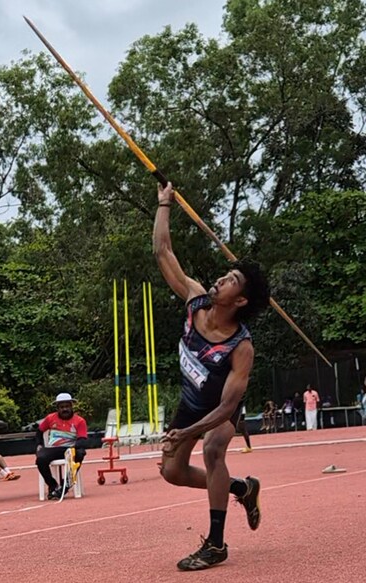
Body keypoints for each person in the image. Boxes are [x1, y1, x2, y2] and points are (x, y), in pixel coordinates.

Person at [153, 180, 264, 571]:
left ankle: (216, 545)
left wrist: (188, 433)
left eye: (231, 280)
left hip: (217, 409)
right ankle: (241, 488)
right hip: (190, 402)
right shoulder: (195, 299)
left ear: (241, 300)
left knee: (213, 450)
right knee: (172, 472)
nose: (221, 279)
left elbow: (228, 406)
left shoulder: (241, 347)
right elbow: (162, 251)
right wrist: (164, 204)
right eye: (225, 275)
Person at [36, 393, 88, 500]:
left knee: (80, 453)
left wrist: (74, 448)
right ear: (57, 408)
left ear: (71, 406)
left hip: (70, 449)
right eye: (62, 407)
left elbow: (82, 440)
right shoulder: (50, 418)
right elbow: (39, 431)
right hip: (53, 449)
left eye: (67, 406)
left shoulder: (80, 421)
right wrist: (39, 445)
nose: (65, 409)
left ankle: (66, 486)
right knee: (40, 459)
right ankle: (53, 485)